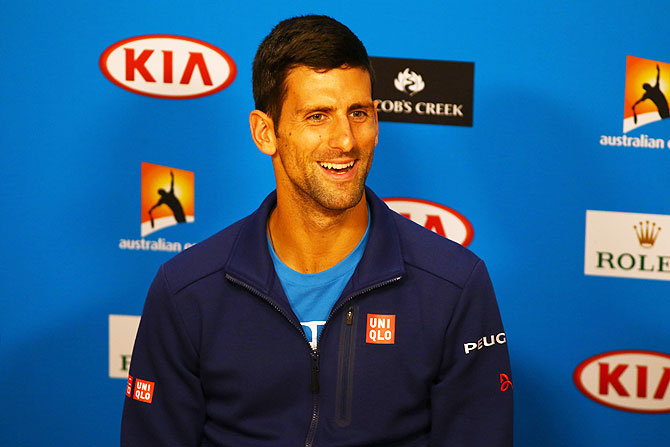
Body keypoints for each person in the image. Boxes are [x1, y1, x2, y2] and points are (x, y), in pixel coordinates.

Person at [121, 15, 512, 447]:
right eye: (318, 116)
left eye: (358, 113)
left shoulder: (453, 285)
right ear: (265, 132)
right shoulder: (187, 290)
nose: (345, 140)